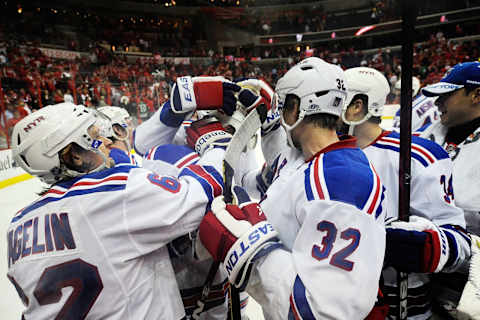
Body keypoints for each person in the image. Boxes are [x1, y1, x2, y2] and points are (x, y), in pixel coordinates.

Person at [197, 57, 387, 319]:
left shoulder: (342, 182)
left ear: (297, 107)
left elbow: (325, 311)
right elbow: (251, 185)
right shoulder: (298, 158)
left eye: (284, 105)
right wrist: (222, 147)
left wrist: (252, 254)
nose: (279, 114)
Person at [6, 102, 233, 319]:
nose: (106, 141)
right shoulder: (114, 189)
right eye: (94, 137)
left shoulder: (17, 224)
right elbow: (201, 192)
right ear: (73, 155)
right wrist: (215, 145)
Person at [340, 67, 470, 319]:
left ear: (358, 106)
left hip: (404, 306)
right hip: (339, 300)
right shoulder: (319, 157)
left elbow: (460, 242)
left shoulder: (419, 156)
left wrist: (427, 247)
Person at [132, 76, 265, 319]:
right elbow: (141, 145)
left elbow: (247, 187)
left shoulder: (235, 138)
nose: (223, 111)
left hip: (225, 260)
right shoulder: (174, 138)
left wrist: (263, 173)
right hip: (183, 263)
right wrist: (173, 110)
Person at [419, 61, 480, 315]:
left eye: (447, 96)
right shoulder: (427, 135)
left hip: (469, 277)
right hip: (426, 270)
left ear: (476, 95)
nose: (437, 103)